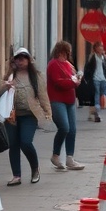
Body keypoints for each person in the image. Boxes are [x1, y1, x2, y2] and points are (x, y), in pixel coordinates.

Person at [0, 48, 52, 186]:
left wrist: (47, 113)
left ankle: (35, 168)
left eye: (23, 58)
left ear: (29, 60)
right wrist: (6, 84)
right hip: (12, 115)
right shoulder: (10, 75)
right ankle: (16, 175)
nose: (20, 61)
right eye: (18, 58)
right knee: (13, 144)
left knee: (26, 142)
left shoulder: (36, 76)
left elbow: (43, 96)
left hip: (29, 115)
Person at [46, 41, 85, 172]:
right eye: (68, 52)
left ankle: (70, 158)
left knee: (72, 129)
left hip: (70, 100)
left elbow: (71, 77)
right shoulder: (53, 64)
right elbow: (58, 83)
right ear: (62, 51)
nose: (69, 54)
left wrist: (77, 77)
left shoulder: (68, 65)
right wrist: (73, 83)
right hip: (57, 100)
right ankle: (55, 155)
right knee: (64, 127)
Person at [83, 42, 106, 122]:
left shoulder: (103, 57)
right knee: (96, 96)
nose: (101, 48)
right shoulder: (92, 57)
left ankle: (95, 111)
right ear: (95, 48)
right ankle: (96, 113)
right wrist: (87, 78)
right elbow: (87, 68)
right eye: (99, 46)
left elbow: (105, 68)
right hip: (95, 79)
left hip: (103, 79)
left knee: (103, 95)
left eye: (102, 46)